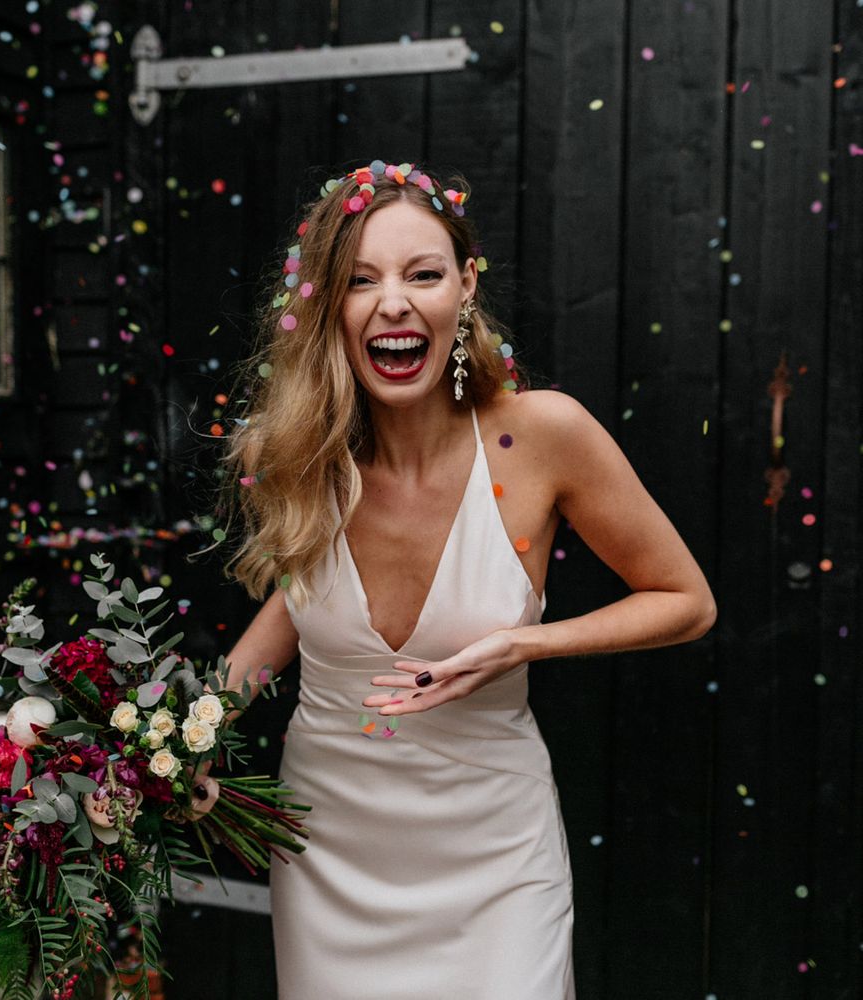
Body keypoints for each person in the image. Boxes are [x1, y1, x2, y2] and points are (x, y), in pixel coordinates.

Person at [197, 160, 716, 999]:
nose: (392, 303)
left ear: (465, 285)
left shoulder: (543, 436)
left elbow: (686, 601)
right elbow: (296, 611)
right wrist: (176, 738)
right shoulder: (298, 452)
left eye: (422, 274)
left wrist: (523, 644)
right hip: (331, 852)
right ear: (328, 305)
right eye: (360, 280)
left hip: (496, 854)